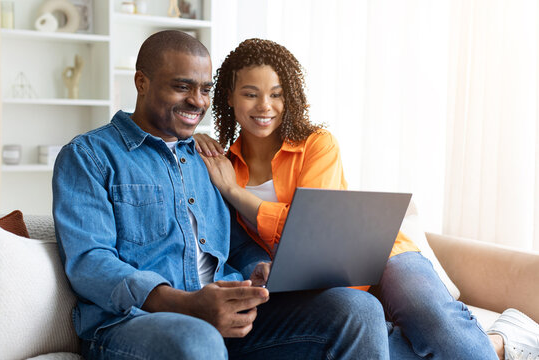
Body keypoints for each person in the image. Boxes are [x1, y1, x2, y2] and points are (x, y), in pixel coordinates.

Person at [52, 30, 420, 360]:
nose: (197, 101)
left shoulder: (206, 159)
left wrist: (255, 269)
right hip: (133, 324)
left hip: (226, 315)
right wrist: (187, 304)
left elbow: (236, 243)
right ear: (141, 82)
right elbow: (90, 262)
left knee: (357, 308)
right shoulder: (90, 156)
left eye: (205, 89)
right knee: (197, 340)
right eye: (182, 86)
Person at [194, 38, 539, 360]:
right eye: (250, 94)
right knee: (370, 338)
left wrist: (236, 194)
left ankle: (495, 341)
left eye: (276, 94)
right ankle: (501, 342)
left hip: (382, 253)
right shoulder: (222, 165)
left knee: (437, 322)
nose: (265, 106)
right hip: (315, 284)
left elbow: (316, 230)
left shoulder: (316, 143)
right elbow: (237, 245)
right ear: (228, 96)